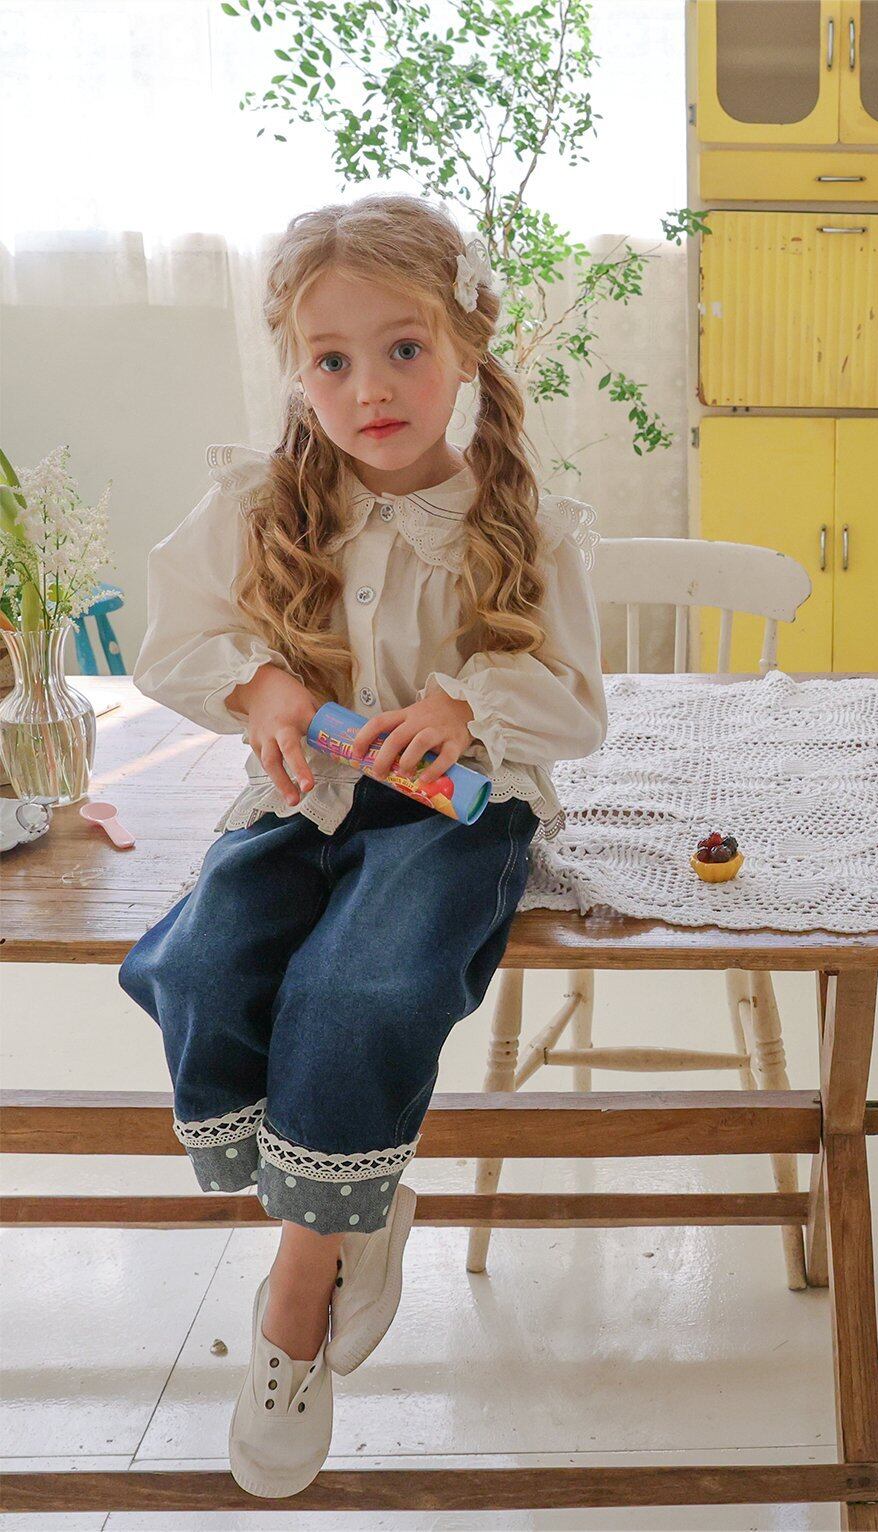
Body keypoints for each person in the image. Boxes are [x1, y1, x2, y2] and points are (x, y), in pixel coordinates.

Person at [117, 192, 607, 1498]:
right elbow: (172, 641)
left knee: (367, 987)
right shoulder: (260, 500)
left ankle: (300, 1284)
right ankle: (358, 1189)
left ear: (466, 345)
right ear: (294, 369)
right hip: (308, 793)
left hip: (458, 810)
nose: (370, 388)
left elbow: (577, 705)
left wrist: (467, 706)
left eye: (403, 348)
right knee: (198, 965)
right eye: (331, 360)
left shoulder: (522, 520)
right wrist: (263, 687)